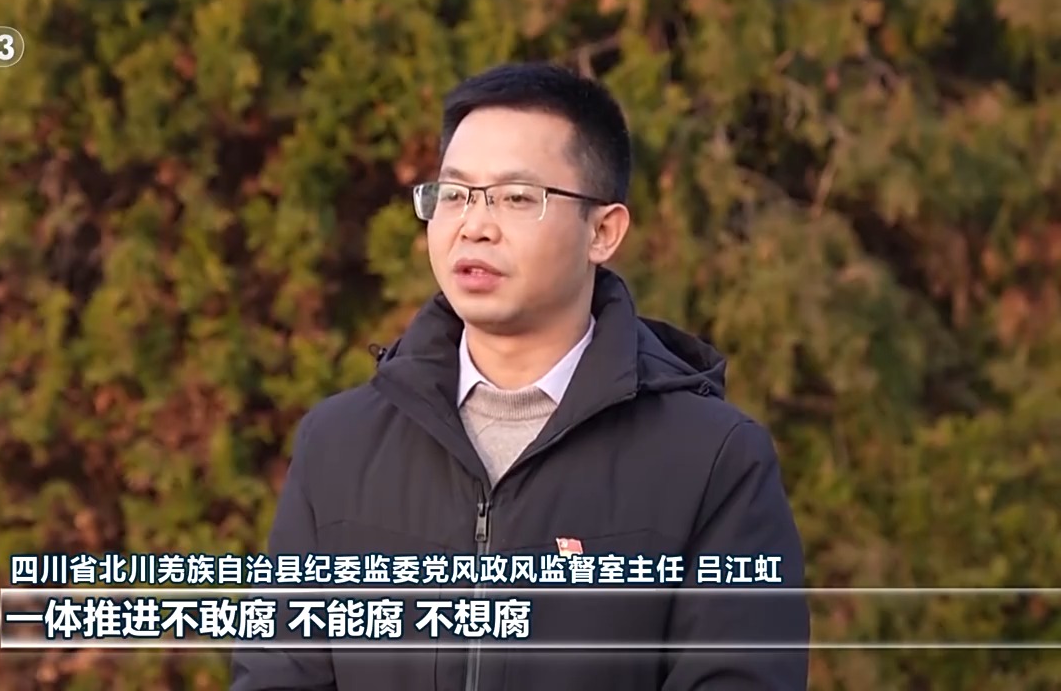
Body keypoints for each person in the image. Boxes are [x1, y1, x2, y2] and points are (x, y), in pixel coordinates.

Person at [231, 62, 810, 691]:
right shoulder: (340, 445)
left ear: (603, 231)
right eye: (455, 194)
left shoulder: (713, 460)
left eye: (516, 198)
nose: (474, 225)